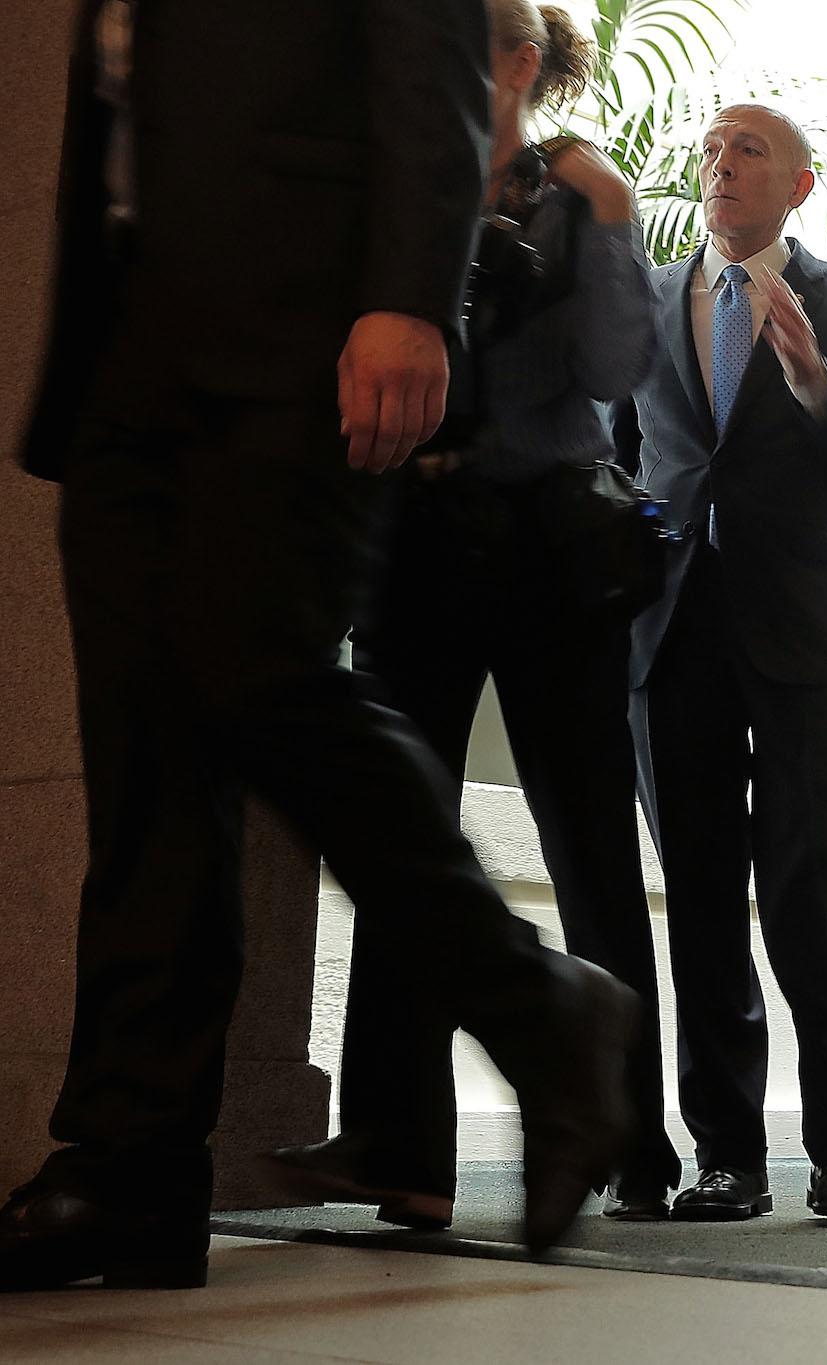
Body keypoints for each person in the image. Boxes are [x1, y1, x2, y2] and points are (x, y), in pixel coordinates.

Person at [0, 0, 635, 1290]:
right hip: (129, 339)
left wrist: (408, 295)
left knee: (265, 678)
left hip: (304, 314)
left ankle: (542, 1007)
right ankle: (133, 1163)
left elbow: (427, 46)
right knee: (145, 762)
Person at [279, 0, 679, 1230]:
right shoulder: (409, 178)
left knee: (591, 849)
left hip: (550, 556)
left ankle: (631, 1145)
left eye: (478, 37)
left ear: (519, 61)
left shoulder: (573, 197)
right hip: (412, 547)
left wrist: (606, 219)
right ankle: (404, 1150)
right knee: (405, 828)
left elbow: (617, 371)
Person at [626, 103, 827, 1223]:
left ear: (797, 185)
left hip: (798, 636)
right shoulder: (647, 303)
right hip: (670, 633)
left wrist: (813, 380)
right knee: (699, 895)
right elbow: (620, 458)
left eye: (746, 150)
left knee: (812, 890)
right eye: (710, 149)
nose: (718, 164)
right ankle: (726, 1159)